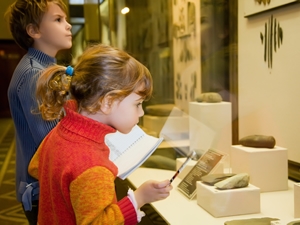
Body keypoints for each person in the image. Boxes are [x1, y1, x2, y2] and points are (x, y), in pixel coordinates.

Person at [28, 43, 173, 224]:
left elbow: (35, 167)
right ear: (107, 102)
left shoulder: (62, 130)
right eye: (137, 104)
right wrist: (138, 198)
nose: (141, 112)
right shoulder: (93, 165)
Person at [5, 0, 72, 224]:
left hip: (43, 186)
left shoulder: (44, 69)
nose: (69, 25)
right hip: (43, 191)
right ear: (34, 31)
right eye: (58, 19)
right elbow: (54, 142)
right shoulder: (35, 75)